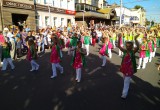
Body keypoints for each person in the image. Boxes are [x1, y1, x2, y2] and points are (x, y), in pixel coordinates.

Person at [118, 33, 139, 99]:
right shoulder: (124, 51)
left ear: (132, 46)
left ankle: (124, 94)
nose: (128, 47)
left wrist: (135, 39)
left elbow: (138, 47)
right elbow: (119, 46)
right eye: (127, 46)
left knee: (126, 81)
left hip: (130, 69)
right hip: (124, 68)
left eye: (129, 46)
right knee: (125, 79)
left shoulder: (133, 52)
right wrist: (119, 38)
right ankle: (127, 88)